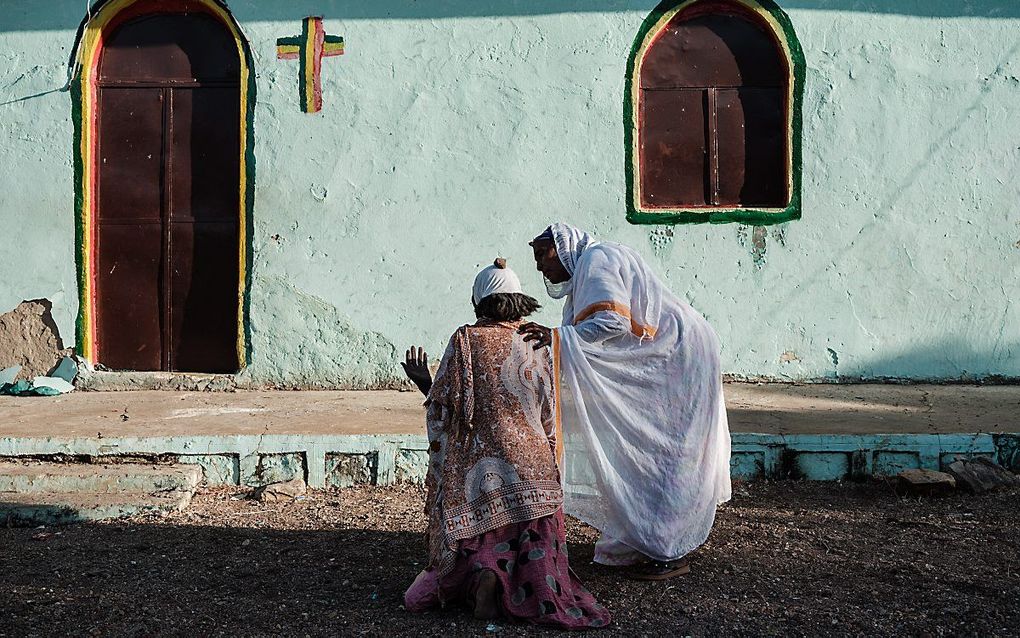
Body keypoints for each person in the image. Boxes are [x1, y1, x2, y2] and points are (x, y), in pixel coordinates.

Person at [400, 258, 610, 630]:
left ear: (479, 301)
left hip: (482, 476)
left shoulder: (465, 341)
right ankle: (526, 586)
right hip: (535, 474)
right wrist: (548, 458)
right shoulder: (536, 340)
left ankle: (484, 574)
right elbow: (548, 413)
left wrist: (424, 381)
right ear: (518, 300)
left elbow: (444, 410)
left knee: (417, 598)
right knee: (536, 551)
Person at [518, 223, 732, 581]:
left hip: (678, 355)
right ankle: (644, 536)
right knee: (651, 446)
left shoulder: (597, 260)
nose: (541, 266)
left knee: (667, 449)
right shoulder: (592, 265)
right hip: (673, 354)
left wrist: (556, 337)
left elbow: (613, 322)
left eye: (544, 254)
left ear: (562, 246)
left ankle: (668, 547)